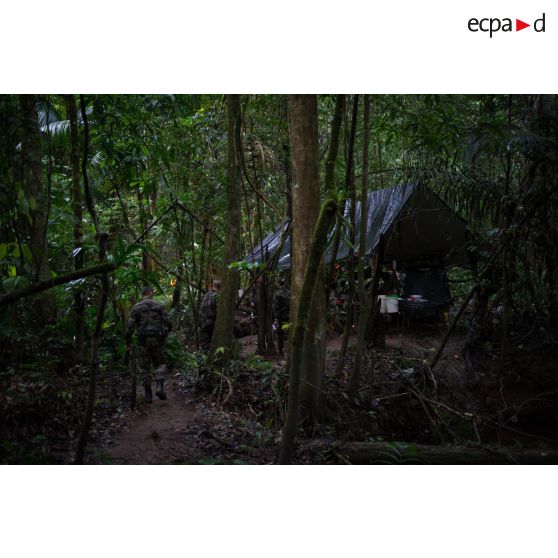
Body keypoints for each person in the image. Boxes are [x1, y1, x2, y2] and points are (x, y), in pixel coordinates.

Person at [125, 286, 173, 403]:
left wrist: (128, 341)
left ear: (142, 294)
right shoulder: (158, 305)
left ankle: (148, 395)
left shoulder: (136, 307)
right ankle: (159, 387)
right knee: (160, 363)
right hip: (157, 339)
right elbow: (169, 323)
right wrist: (164, 334)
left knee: (144, 367)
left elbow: (129, 327)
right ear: (150, 293)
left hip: (143, 341)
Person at [199, 278, 221, 351]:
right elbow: (220, 312)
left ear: (212, 285)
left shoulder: (205, 296)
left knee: (204, 347)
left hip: (203, 323)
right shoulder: (218, 296)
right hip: (212, 324)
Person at [272, 277, 290, 356]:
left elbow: (275, 307)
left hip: (280, 315)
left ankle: (280, 351)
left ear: (278, 284)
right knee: (289, 330)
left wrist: (275, 318)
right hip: (289, 315)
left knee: (279, 333)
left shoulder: (277, 294)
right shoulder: (290, 292)